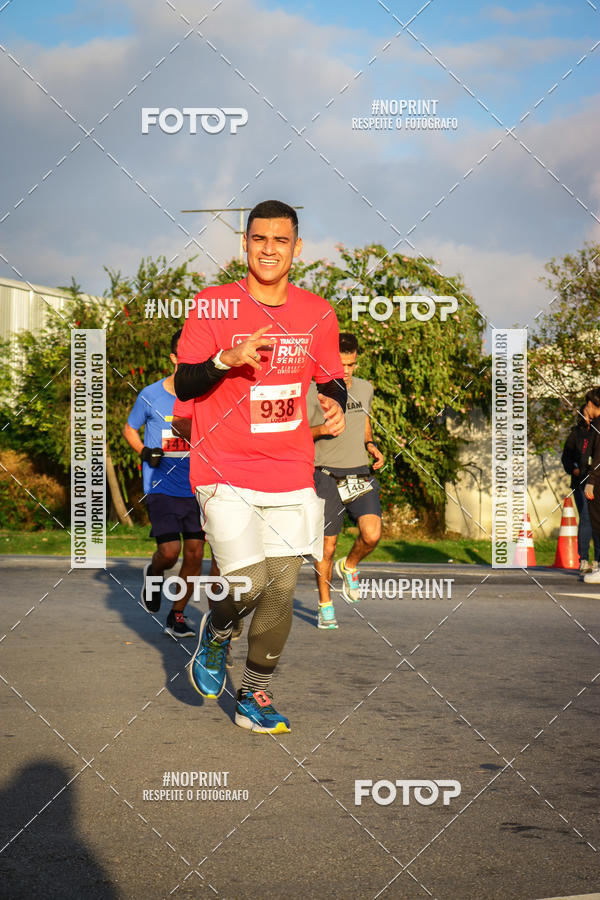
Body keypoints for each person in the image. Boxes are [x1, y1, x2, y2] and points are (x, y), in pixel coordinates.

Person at [173, 199, 346, 734]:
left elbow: (330, 375)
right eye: (259, 239)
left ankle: (253, 694)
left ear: (297, 248)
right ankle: (217, 634)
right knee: (245, 584)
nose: (269, 249)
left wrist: (335, 398)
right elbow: (184, 384)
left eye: (280, 240)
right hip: (223, 470)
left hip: (291, 471)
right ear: (244, 245)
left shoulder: (317, 312)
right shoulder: (212, 305)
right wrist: (228, 359)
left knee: (278, 590)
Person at [124, 329, 205, 637]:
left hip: (197, 488)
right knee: (170, 553)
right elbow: (130, 429)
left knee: (195, 553)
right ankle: (154, 572)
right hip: (161, 487)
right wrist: (144, 451)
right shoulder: (151, 394)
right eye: (185, 358)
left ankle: (177, 615)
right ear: (173, 358)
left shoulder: (203, 397)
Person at [307, 332, 384, 628]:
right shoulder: (313, 391)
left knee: (372, 534)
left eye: (351, 364)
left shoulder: (365, 388)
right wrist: (323, 430)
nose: (346, 371)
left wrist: (370, 444)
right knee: (326, 548)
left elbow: (364, 421)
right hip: (325, 475)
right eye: (340, 364)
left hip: (359, 473)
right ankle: (325, 604)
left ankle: (349, 565)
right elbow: (299, 433)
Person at [561, 398, 600, 576]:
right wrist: (574, 469)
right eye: (584, 412)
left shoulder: (597, 431)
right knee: (585, 517)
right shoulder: (576, 434)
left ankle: (597, 560)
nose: (587, 416)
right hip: (581, 482)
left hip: (595, 481)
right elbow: (566, 457)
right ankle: (583, 559)